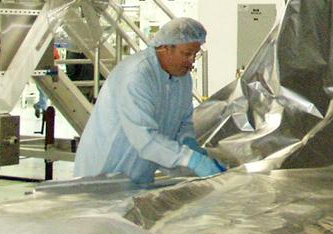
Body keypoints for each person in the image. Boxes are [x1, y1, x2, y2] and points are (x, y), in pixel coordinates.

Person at [73, 17, 226, 186]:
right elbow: (145, 138)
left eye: (195, 55)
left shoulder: (182, 78)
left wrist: (193, 148)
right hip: (103, 174)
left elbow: (183, 124)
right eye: (186, 54)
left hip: (140, 175)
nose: (191, 62)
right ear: (165, 48)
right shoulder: (136, 75)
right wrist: (192, 160)